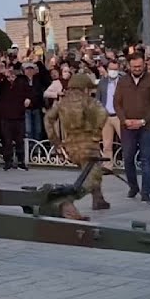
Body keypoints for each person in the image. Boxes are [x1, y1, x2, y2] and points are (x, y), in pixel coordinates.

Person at [44, 73, 109, 215]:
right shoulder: (88, 101)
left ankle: (98, 199)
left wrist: (55, 141)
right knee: (92, 176)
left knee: (91, 171)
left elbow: (48, 119)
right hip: (88, 144)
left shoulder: (61, 103)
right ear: (84, 88)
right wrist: (96, 132)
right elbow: (103, 113)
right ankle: (67, 199)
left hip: (71, 145)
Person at [114, 53, 150, 205]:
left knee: (146, 159)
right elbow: (117, 103)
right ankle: (133, 187)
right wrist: (124, 120)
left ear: (144, 65)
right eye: (134, 66)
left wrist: (143, 121)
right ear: (129, 66)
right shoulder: (123, 81)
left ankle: (146, 193)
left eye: (139, 66)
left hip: (147, 127)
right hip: (127, 127)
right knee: (128, 158)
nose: (137, 69)